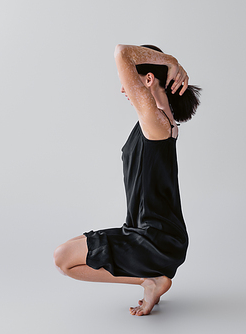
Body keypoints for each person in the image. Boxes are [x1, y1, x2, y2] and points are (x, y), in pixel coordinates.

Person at [53, 44, 201, 316]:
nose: (123, 89)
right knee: (72, 247)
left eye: (127, 81)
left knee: (63, 259)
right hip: (154, 235)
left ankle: (151, 280)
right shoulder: (159, 121)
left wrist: (170, 61)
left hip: (154, 239)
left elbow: (122, 52)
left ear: (147, 80)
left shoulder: (155, 121)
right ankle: (152, 279)